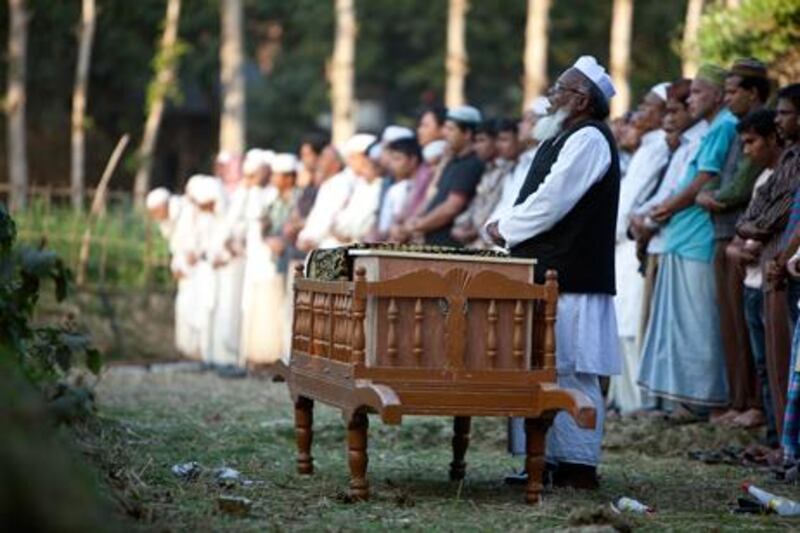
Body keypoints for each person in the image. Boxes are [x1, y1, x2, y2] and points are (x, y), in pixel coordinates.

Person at [486, 55, 621, 489]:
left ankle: (577, 466)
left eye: (559, 89)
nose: (550, 96)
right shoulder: (562, 137)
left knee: (572, 367)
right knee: (543, 366)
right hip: (548, 274)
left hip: (573, 276)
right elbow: (534, 197)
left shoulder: (589, 139)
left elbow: (552, 202)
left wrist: (504, 228)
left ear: (581, 100)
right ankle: (544, 462)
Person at [637, 64, 736, 414]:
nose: (692, 99)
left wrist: (663, 210)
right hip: (682, 237)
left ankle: (711, 401)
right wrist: (663, 208)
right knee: (683, 326)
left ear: (719, 94)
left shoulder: (725, 126)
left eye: (697, 92)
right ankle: (689, 401)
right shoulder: (712, 129)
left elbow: (702, 181)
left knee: (701, 325)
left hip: (698, 238)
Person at [696, 59, 770, 425]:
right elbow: (714, 184)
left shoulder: (762, 129)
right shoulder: (737, 128)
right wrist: (712, 195)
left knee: (745, 325)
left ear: (753, 93)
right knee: (731, 323)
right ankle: (738, 401)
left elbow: (739, 187)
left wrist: (713, 197)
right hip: (724, 235)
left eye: (731, 91)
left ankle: (752, 404)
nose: (726, 98)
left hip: (739, 238)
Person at [629, 79, 709, 370]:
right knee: (655, 323)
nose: (668, 119)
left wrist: (646, 219)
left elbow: (680, 192)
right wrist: (638, 218)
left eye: (675, 111)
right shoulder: (672, 145)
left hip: (678, 240)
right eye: (667, 113)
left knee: (683, 325)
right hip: (655, 239)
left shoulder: (697, 142)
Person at [742, 83, 800, 439]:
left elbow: (783, 216)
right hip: (773, 261)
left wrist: (782, 254)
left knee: (785, 364)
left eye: (784, 113)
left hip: (784, 264)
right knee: (772, 362)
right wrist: (752, 228)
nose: (778, 120)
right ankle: (782, 441)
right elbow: (760, 206)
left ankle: (787, 444)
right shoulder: (791, 155)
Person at [610, 82, 671, 414]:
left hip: (632, 243)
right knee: (620, 324)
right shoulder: (645, 149)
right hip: (619, 244)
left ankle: (641, 402)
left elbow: (639, 203)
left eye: (650, 106)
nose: (641, 112)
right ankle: (624, 401)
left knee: (634, 324)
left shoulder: (660, 146)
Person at [725, 109, 781, 437]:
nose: (747, 151)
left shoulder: (784, 177)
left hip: (771, 283)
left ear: (772, 138)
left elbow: (764, 229)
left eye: (752, 142)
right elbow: (743, 231)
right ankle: (773, 434)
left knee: (776, 365)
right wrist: (746, 241)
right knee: (762, 365)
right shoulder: (761, 179)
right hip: (751, 280)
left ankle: (780, 438)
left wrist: (752, 235)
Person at [241, 153, 301, 367]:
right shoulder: (272, 200)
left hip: (295, 259)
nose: (274, 180)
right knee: (281, 310)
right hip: (277, 260)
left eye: (278, 175)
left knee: (293, 310)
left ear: (289, 178)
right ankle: (280, 358)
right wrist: (270, 241)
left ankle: (291, 359)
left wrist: (284, 240)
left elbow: (297, 226)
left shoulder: (299, 199)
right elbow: (264, 227)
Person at [406, 105, 485, 247]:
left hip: (449, 247)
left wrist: (419, 225)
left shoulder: (471, 164)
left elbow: (451, 207)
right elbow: (434, 195)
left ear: (467, 133)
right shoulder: (452, 161)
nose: (444, 134)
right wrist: (415, 219)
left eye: (450, 129)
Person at [297, 134, 376, 251]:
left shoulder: (371, 183)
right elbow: (322, 218)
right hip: (329, 248)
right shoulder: (340, 182)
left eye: (357, 157)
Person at [452, 118, 518, 248]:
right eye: (475, 142)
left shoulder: (508, 169)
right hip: (475, 239)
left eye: (481, 140)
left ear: (495, 141)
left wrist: (476, 231)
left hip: (490, 242)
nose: (476, 147)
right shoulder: (488, 169)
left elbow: (497, 208)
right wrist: (460, 226)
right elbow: (476, 205)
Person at [375, 137, 422, 242]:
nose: (392, 164)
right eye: (392, 159)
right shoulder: (395, 189)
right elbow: (384, 228)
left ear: (413, 160)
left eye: (398, 159)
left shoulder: (424, 186)